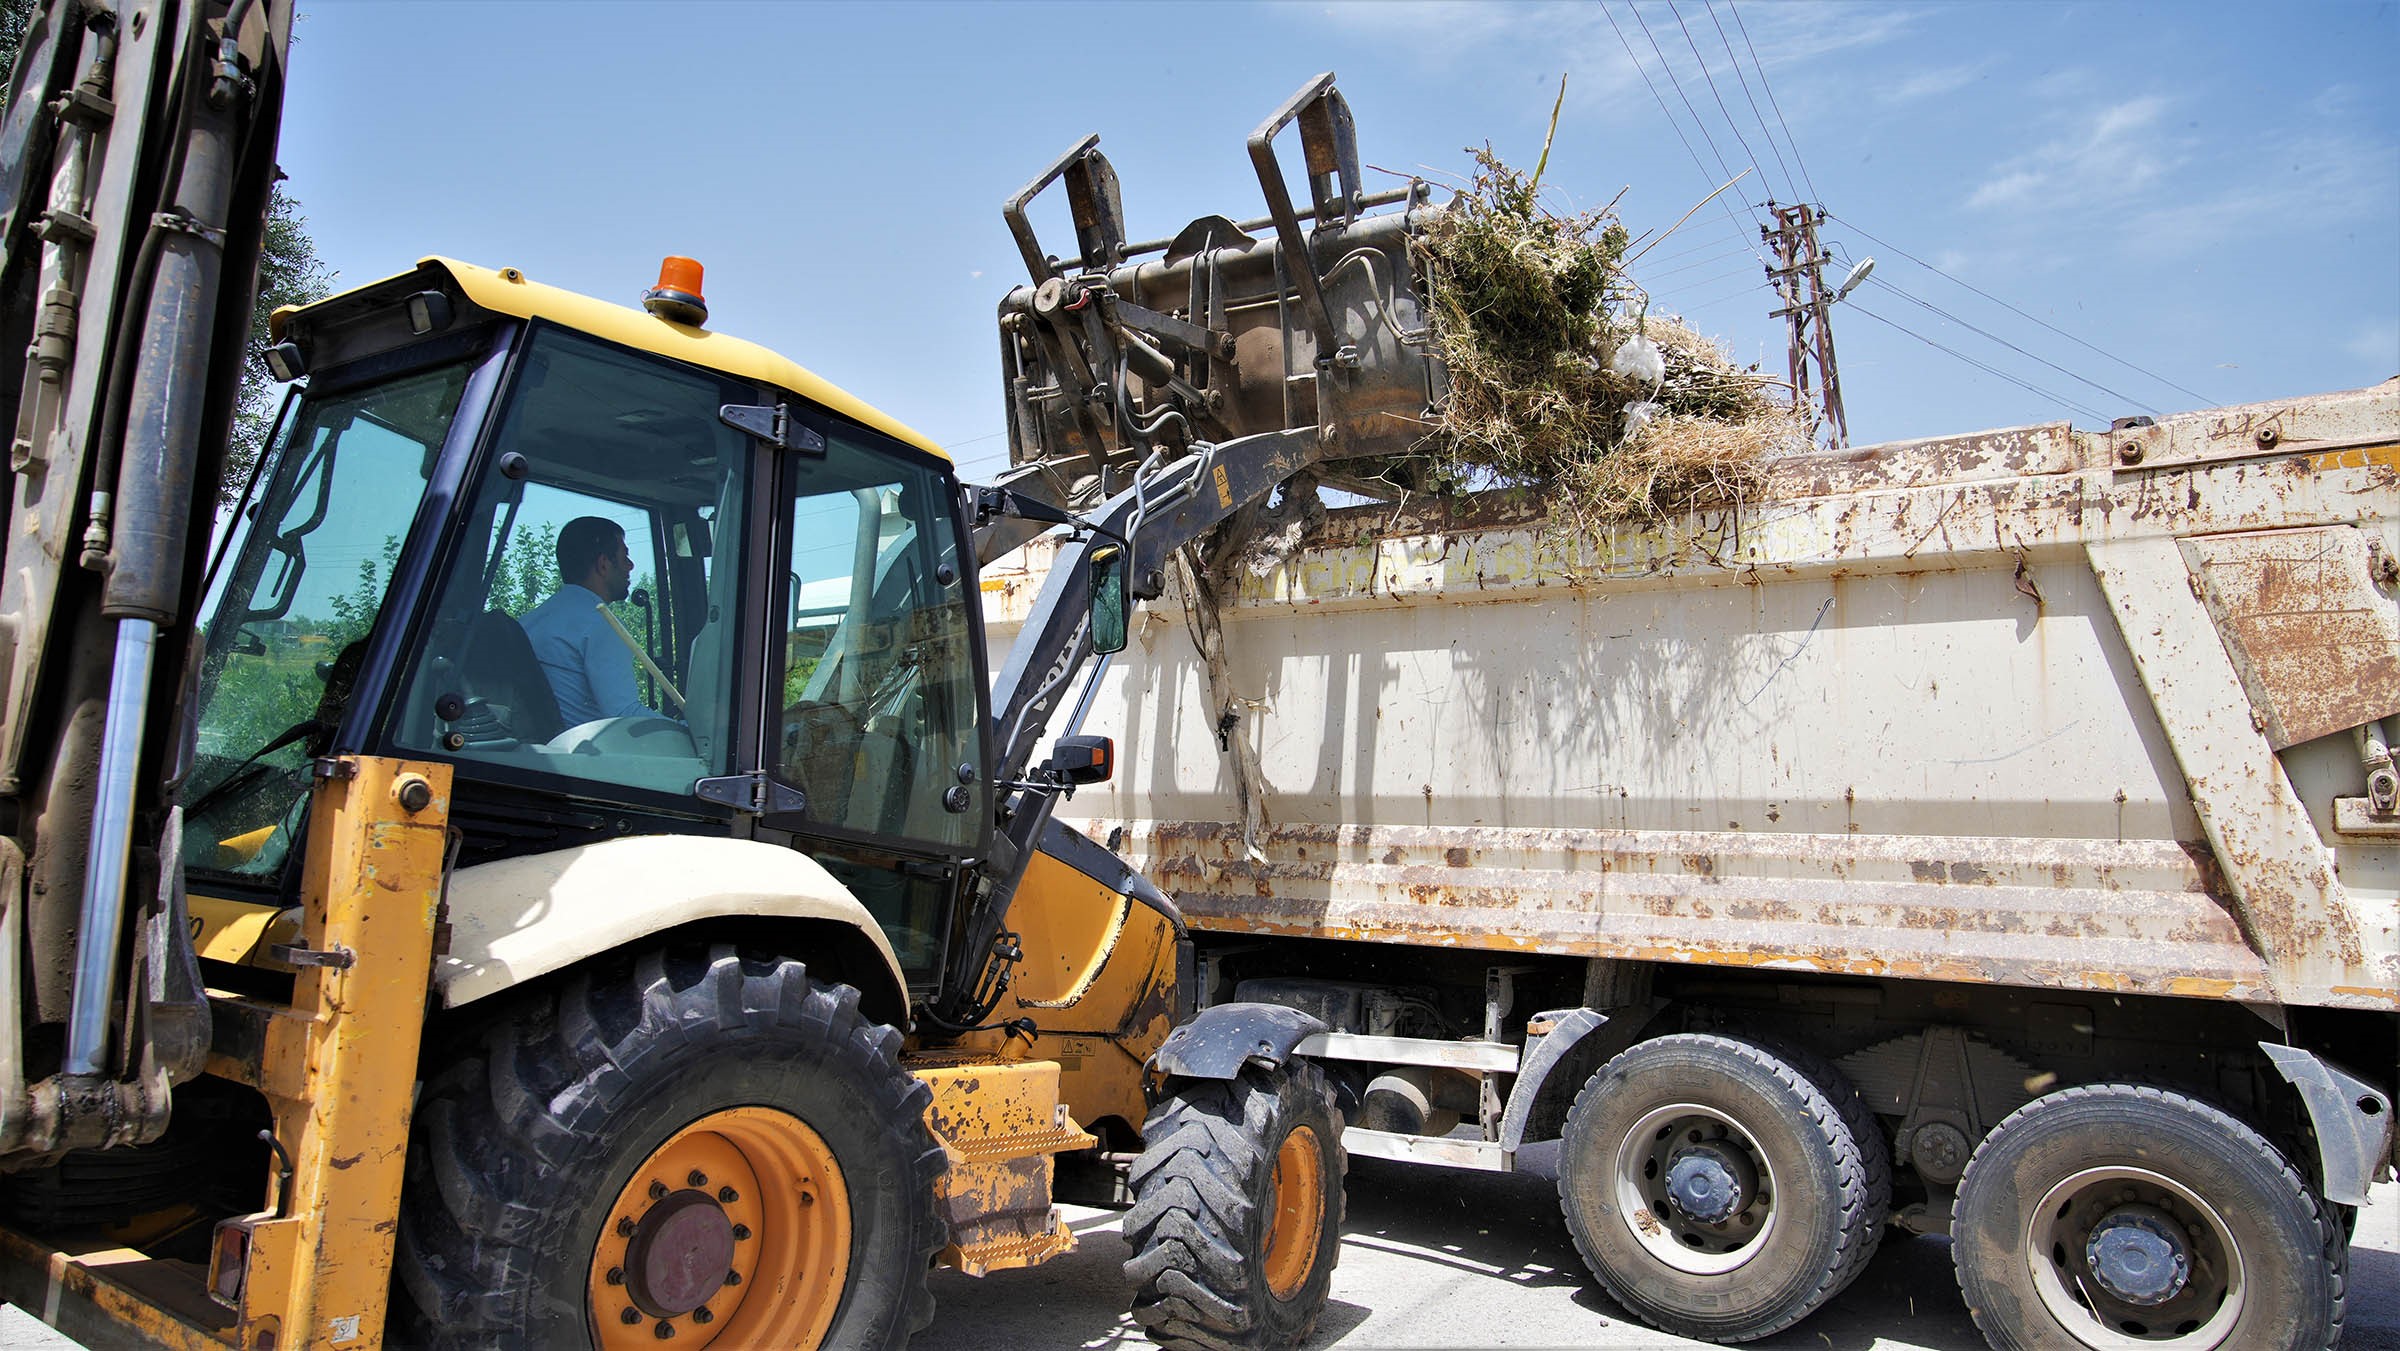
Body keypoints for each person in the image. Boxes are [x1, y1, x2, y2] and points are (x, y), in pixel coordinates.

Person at [518, 516, 653, 726]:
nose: (631, 565)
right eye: (625, 556)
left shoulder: (527, 622)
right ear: (603, 564)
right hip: (586, 754)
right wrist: (685, 731)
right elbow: (625, 716)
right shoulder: (600, 625)